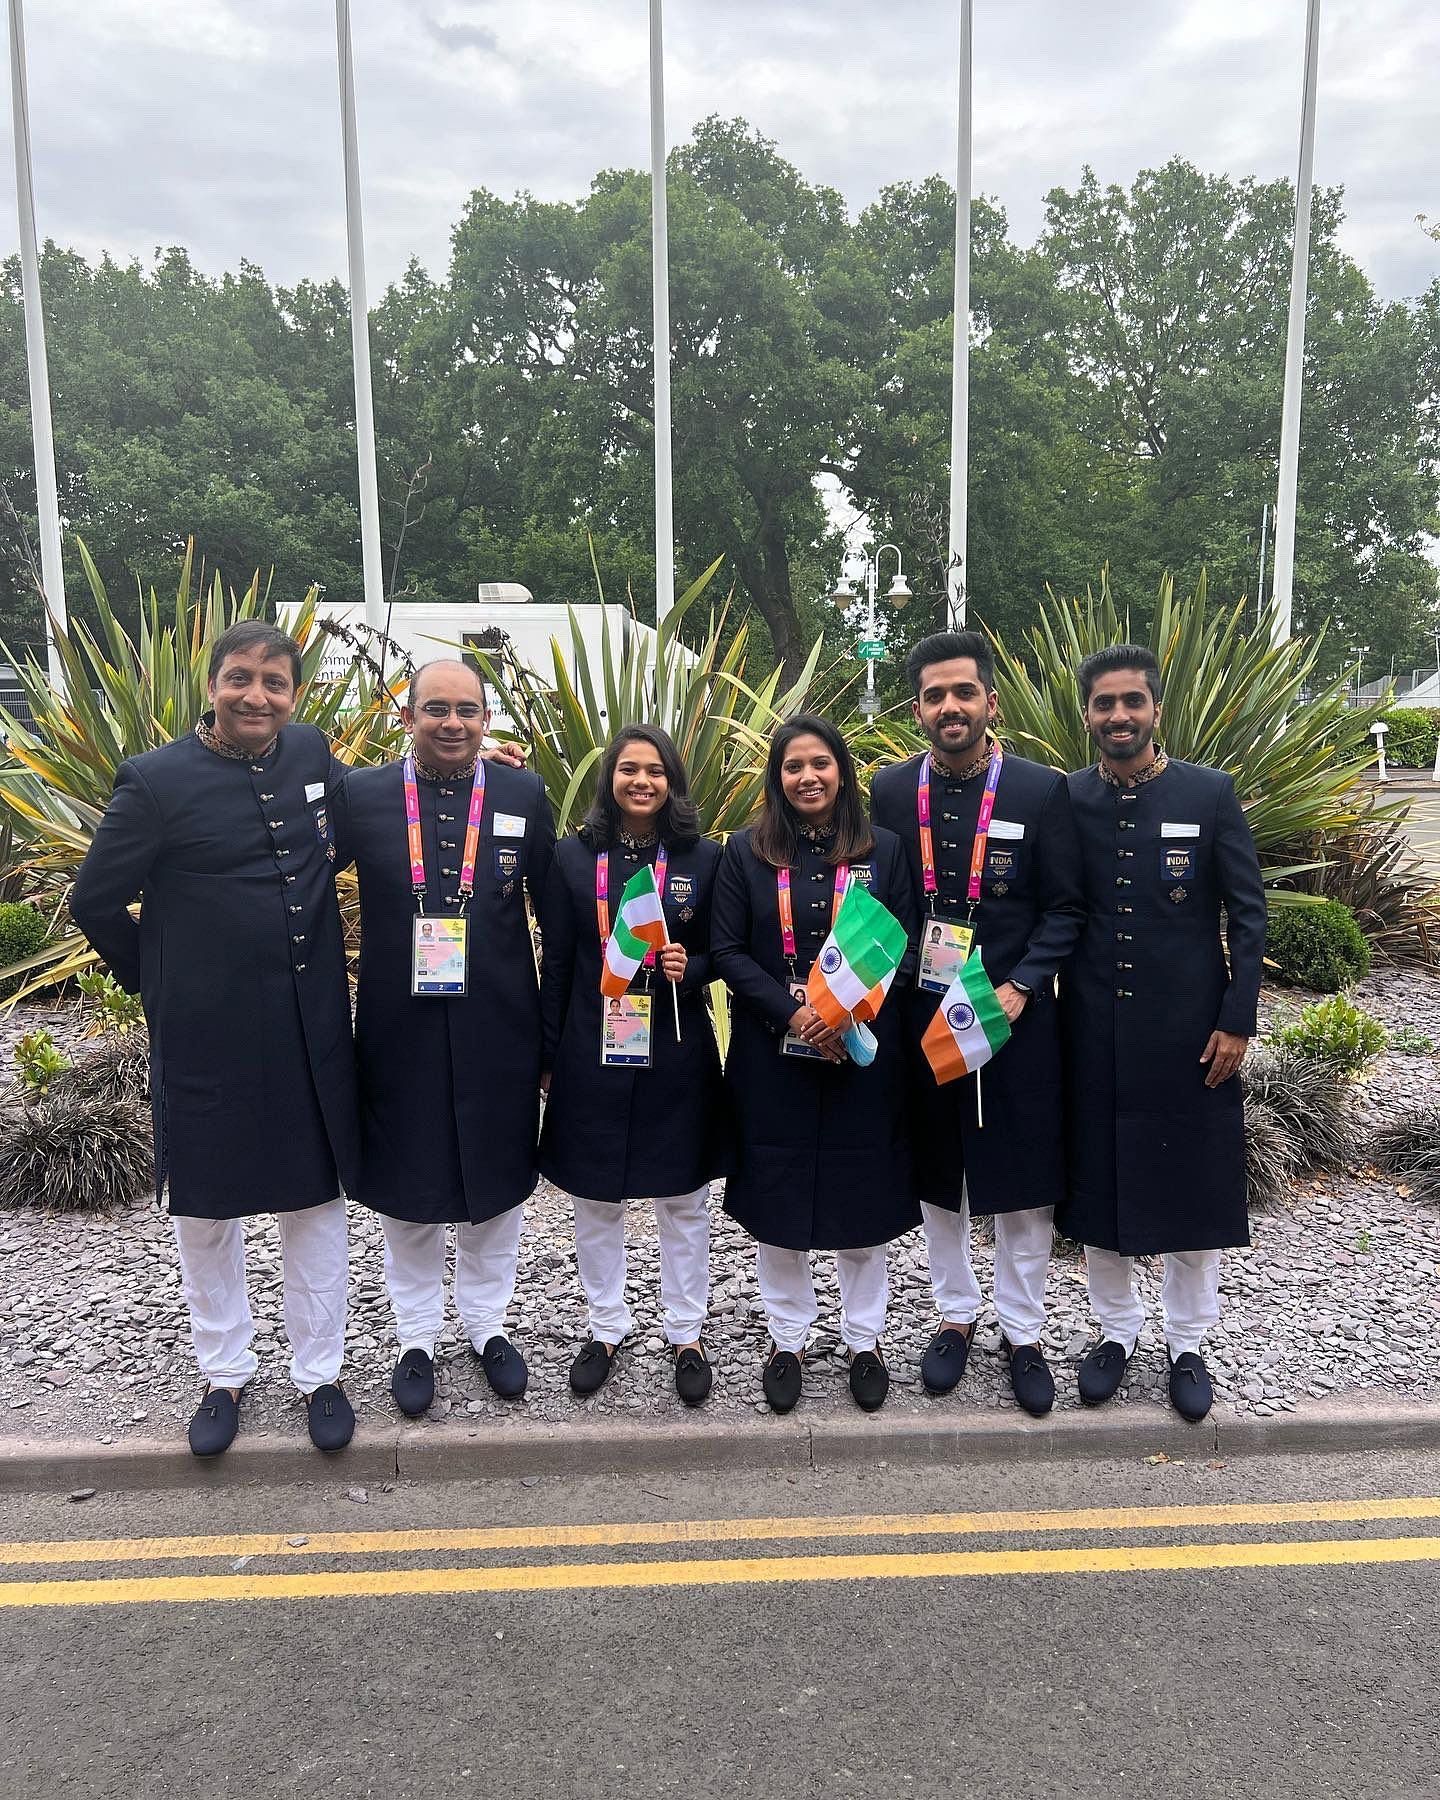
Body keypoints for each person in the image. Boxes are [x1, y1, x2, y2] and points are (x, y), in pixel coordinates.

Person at [69, 621, 361, 1457]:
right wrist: (163, 987)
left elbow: (363, 820)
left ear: (294, 695)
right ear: (212, 684)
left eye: (275, 682)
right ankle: (224, 1372)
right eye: (241, 678)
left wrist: (475, 775)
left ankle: (321, 1373)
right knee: (207, 1210)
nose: (257, 696)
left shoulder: (310, 754)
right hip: (205, 1035)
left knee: (314, 1204)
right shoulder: (154, 781)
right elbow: (96, 901)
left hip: (309, 1029)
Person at [332, 659, 554, 1418]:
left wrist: (553, 1039)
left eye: (466, 709)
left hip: (500, 1026)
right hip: (401, 1028)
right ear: (407, 717)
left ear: (487, 718)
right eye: (436, 708)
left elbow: (555, 919)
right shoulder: (359, 796)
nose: (452, 723)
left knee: (497, 1185)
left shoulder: (522, 791)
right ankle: (415, 1339)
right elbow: (290, 876)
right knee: (409, 1186)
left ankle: (488, 1327)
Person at [871, 631, 1084, 1417]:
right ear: (918, 709)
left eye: (963, 692)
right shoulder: (891, 792)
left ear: (990, 702)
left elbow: (1066, 908)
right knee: (939, 1176)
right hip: (922, 1013)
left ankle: (1022, 1332)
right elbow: (880, 899)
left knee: (1022, 1184)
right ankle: (955, 1316)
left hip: (1013, 1015)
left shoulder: (1039, 789)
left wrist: (1025, 985)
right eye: (934, 695)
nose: (949, 707)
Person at [1060, 645, 1266, 1421]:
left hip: (1190, 1031)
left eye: (1132, 702)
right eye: (1104, 704)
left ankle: (1187, 1342)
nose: (1118, 716)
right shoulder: (1067, 798)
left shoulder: (1209, 793)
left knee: (1194, 1184)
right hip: (1092, 1028)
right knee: (1100, 1178)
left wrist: (1237, 1017)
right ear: (1087, 714)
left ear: (1156, 710)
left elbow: (1247, 915)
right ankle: (1115, 1332)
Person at [712, 714, 919, 1415]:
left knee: (862, 1199)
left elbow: (906, 942)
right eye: (794, 765)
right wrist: (797, 1012)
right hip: (776, 1057)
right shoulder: (746, 853)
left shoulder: (885, 850)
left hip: (861, 1054)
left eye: (820, 764)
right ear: (777, 776)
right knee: (779, 1202)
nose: (808, 776)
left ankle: (865, 1341)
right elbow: (728, 951)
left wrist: (849, 1010)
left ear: (841, 772)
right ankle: (788, 1339)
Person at [539, 725, 726, 1405]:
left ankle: (687, 1332)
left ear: (673, 781)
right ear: (609, 780)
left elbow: (723, 953)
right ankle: (606, 1325)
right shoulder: (570, 858)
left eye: (655, 771)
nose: (641, 782)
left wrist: (692, 965)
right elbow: (558, 963)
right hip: (593, 1044)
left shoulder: (704, 859)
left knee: (684, 1201)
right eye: (628, 770)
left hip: (676, 1045)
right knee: (595, 1199)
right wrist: (547, 1054)